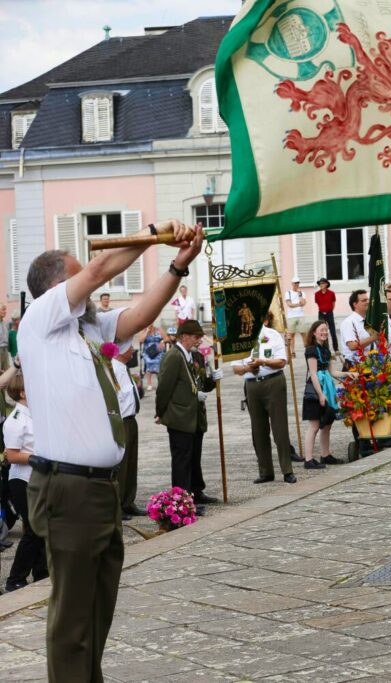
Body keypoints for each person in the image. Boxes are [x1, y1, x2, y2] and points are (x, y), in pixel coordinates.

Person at [19, 218, 202, 680]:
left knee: (98, 609)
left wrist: (178, 266)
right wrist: (152, 235)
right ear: (58, 288)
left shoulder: (86, 329)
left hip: (100, 490)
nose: (89, 281)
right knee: (72, 621)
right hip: (67, 488)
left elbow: (138, 317)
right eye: (77, 277)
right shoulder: (41, 321)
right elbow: (100, 269)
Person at [155, 319, 221, 512]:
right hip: (180, 416)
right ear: (184, 337)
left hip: (195, 417)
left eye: (200, 337)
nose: (199, 341)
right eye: (196, 337)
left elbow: (200, 385)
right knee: (182, 461)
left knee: (194, 457)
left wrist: (212, 380)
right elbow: (164, 388)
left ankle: (196, 491)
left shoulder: (195, 356)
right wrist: (160, 412)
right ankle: (183, 502)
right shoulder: (174, 356)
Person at [233, 311, 296, 483]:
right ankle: (265, 471)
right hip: (252, 385)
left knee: (279, 427)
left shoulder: (272, 335)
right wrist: (248, 368)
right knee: (258, 430)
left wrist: (263, 362)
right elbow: (235, 368)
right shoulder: (240, 338)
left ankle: (287, 470)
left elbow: (282, 361)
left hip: (273, 381)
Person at [2, 370, 48, 593]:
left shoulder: (33, 414)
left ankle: (42, 573)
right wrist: (34, 458)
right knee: (34, 531)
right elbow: (10, 455)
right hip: (23, 481)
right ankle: (15, 579)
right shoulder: (16, 420)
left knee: (43, 528)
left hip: (38, 479)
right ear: (22, 392)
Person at [112, 347, 144, 520]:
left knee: (131, 462)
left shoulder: (123, 367)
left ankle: (128, 501)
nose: (132, 350)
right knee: (122, 465)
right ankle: (119, 505)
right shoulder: (113, 368)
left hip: (131, 419)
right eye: (129, 347)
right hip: (121, 421)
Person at [301, 320, 337, 469]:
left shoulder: (326, 350)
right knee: (314, 425)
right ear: (314, 332)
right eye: (321, 330)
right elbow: (314, 374)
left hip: (327, 386)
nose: (324, 332)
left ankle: (325, 455)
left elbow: (333, 372)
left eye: (326, 330)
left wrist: (349, 373)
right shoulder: (311, 350)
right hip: (316, 390)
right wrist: (321, 395)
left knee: (327, 424)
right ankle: (308, 460)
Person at [341, 289, 376, 370]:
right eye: (364, 300)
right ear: (355, 304)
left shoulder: (369, 321)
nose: (367, 302)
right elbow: (352, 346)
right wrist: (374, 338)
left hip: (371, 364)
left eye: (368, 300)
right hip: (355, 366)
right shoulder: (349, 322)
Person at [314, 277, 339, 352]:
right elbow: (317, 303)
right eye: (320, 283)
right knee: (322, 331)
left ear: (326, 284)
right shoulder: (317, 294)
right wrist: (323, 309)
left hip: (329, 313)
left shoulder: (331, 293)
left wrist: (329, 310)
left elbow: (333, 303)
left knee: (332, 331)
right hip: (321, 314)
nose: (321, 285)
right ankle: (325, 348)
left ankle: (336, 348)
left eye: (323, 283)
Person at [283, 276, 306, 357]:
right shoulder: (288, 293)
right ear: (292, 284)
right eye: (295, 283)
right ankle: (292, 352)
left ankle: (307, 350)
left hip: (300, 315)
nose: (297, 284)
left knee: (304, 333)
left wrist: (299, 296)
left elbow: (303, 303)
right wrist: (297, 304)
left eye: (298, 283)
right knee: (291, 335)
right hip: (291, 316)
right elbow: (289, 304)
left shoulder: (302, 293)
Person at [140, 323, 166, 390]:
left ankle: (160, 382)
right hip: (148, 352)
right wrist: (147, 331)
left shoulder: (159, 329)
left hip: (158, 351)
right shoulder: (144, 330)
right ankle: (149, 384)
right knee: (148, 361)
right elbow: (141, 341)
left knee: (159, 361)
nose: (149, 324)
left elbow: (167, 338)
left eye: (151, 322)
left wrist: (162, 341)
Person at [0, 303, 9, 372]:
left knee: (6, 371)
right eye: (3, 309)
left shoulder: (5, 323)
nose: (5, 311)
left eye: (5, 309)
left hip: (5, 349)